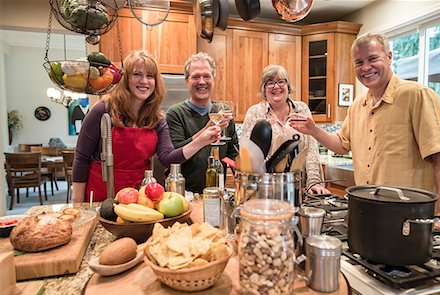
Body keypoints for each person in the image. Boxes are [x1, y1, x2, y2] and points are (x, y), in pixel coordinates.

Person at [290, 33, 440, 230]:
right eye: (359, 62)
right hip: (369, 212)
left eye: (373, 58)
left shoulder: (417, 96)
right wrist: (313, 130)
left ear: (389, 57)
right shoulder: (358, 105)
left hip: (411, 218)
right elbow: (341, 144)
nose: (366, 68)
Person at [71, 50, 221, 202]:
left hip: (138, 197)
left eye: (150, 76)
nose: (144, 81)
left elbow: (167, 158)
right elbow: (81, 158)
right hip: (102, 194)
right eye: (137, 74)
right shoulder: (103, 110)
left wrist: (201, 141)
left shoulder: (156, 118)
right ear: (126, 79)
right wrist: (77, 203)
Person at [241, 64, 329, 195]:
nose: (276, 86)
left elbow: (310, 150)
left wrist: (314, 183)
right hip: (266, 190)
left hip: (300, 189)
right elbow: (249, 158)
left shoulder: (302, 110)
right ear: (264, 89)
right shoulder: (255, 113)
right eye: (270, 83)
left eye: (281, 81)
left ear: (288, 86)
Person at [166, 52, 239, 193]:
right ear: (186, 81)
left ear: (214, 79)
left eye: (206, 76)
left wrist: (243, 179)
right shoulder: (175, 113)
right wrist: (205, 132)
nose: (201, 81)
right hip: (184, 193)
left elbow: (232, 153)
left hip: (217, 191)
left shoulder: (223, 112)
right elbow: (174, 156)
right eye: (195, 76)